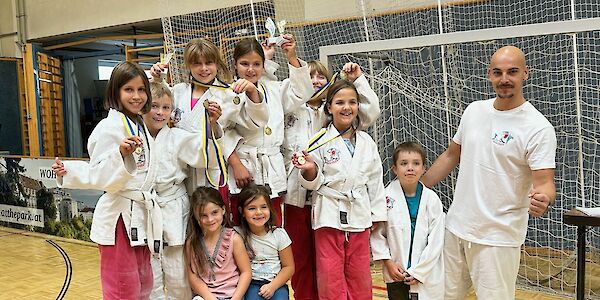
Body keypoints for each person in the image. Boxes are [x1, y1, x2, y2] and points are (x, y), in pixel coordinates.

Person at [421, 45, 557, 299]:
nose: (504, 79)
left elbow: (545, 182)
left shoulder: (538, 128)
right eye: (498, 73)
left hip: (498, 238)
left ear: (525, 74)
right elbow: (452, 155)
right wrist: (416, 188)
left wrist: (544, 199)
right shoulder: (474, 110)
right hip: (455, 229)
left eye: (512, 72)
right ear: (489, 75)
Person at [277, 59, 381, 299]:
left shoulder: (336, 115)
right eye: (309, 77)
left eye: (320, 77)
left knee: (354, 272)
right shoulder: (291, 109)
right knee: (311, 264)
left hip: (345, 207)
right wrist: (308, 169)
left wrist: (357, 80)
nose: (315, 82)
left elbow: (369, 110)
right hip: (304, 199)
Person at [53, 61, 155, 299]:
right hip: (119, 219)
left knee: (144, 284)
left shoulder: (139, 123)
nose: (137, 96)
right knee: (123, 288)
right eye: (129, 89)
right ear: (115, 92)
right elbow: (100, 174)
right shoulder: (109, 127)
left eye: (141, 90)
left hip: (140, 214)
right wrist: (121, 155)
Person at [150, 38, 269, 195]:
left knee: (214, 215)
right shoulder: (178, 91)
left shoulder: (229, 94)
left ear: (217, 64)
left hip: (213, 168)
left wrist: (253, 92)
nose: (204, 68)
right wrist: (157, 79)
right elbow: (155, 107)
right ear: (188, 66)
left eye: (209, 63)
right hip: (182, 168)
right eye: (197, 63)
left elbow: (256, 121)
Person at [143, 82, 222, 300]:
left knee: (178, 275)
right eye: (154, 106)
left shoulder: (177, 137)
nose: (160, 113)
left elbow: (204, 154)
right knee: (151, 278)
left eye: (166, 108)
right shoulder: (136, 136)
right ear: (143, 106)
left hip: (173, 207)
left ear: (172, 111)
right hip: (147, 207)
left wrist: (212, 126)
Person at [224, 36, 313, 226]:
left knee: (274, 225)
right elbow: (222, 132)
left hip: (271, 167)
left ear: (264, 65)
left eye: (256, 64)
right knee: (244, 227)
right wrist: (236, 164)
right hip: (244, 168)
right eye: (244, 63)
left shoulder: (273, 89)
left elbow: (302, 93)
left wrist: (291, 56)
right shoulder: (228, 93)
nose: (250, 69)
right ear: (235, 65)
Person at [370, 141, 445, 300]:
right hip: (395, 272)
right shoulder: (385, 197)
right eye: (404, 163)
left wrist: (420, 271)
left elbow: (436, 240)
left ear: (424, 168)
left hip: (425, 273)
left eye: (416, 163)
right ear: (395, 169)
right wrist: (388, 262)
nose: (410, 168)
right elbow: (377, 234)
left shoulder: (432, 200)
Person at [185, 187, 252, 300]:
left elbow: (246, 272)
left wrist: (236, 298)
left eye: (214, 212)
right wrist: (209, 297)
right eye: (203, 215)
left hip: (233, 295)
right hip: (206, 297)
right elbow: (193, 277)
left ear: (223, 210)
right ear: (196, 217)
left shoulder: (234, 239)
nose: (210, 219)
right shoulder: (192, 242)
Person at [236, 184, 294, 300]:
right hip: (252, 283)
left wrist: (273, 286)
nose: (258, 212)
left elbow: (289, 267)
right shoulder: (238, 235)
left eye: (263, 207)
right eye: (252, 208)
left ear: (269, 208)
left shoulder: (279, 235)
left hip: (276, 283)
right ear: (242, 211)